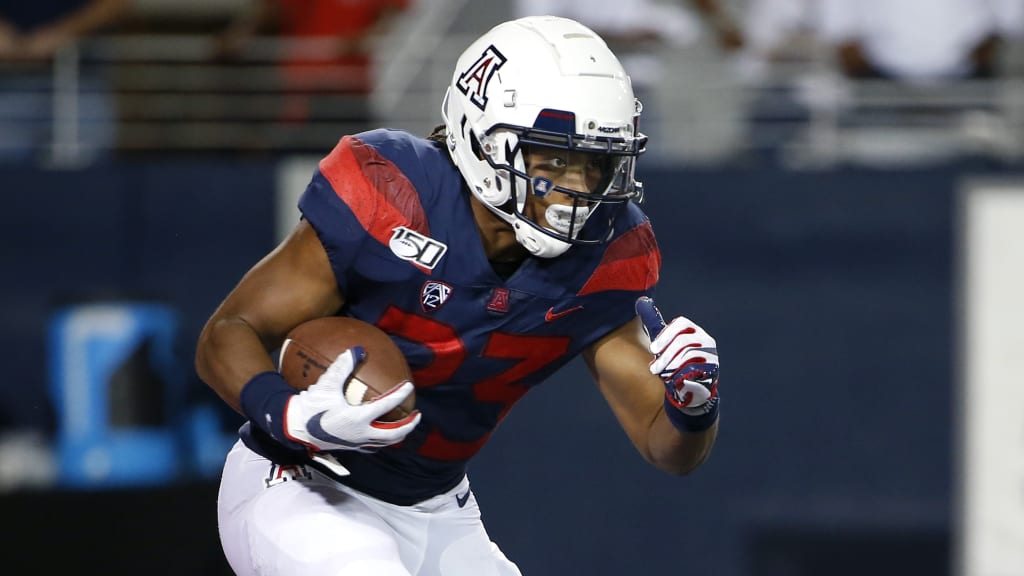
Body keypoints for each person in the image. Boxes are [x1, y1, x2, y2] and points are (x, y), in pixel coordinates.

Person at [195, 15, 721, 576]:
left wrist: (694, 405)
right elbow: (226, 334)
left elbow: (665, 448)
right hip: (300, 482)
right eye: (555, 158)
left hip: (437, 508)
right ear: (480, 139)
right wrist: (292, 415)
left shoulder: (607, 252)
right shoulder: (396, 193)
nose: (580, 188)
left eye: (595, 164)